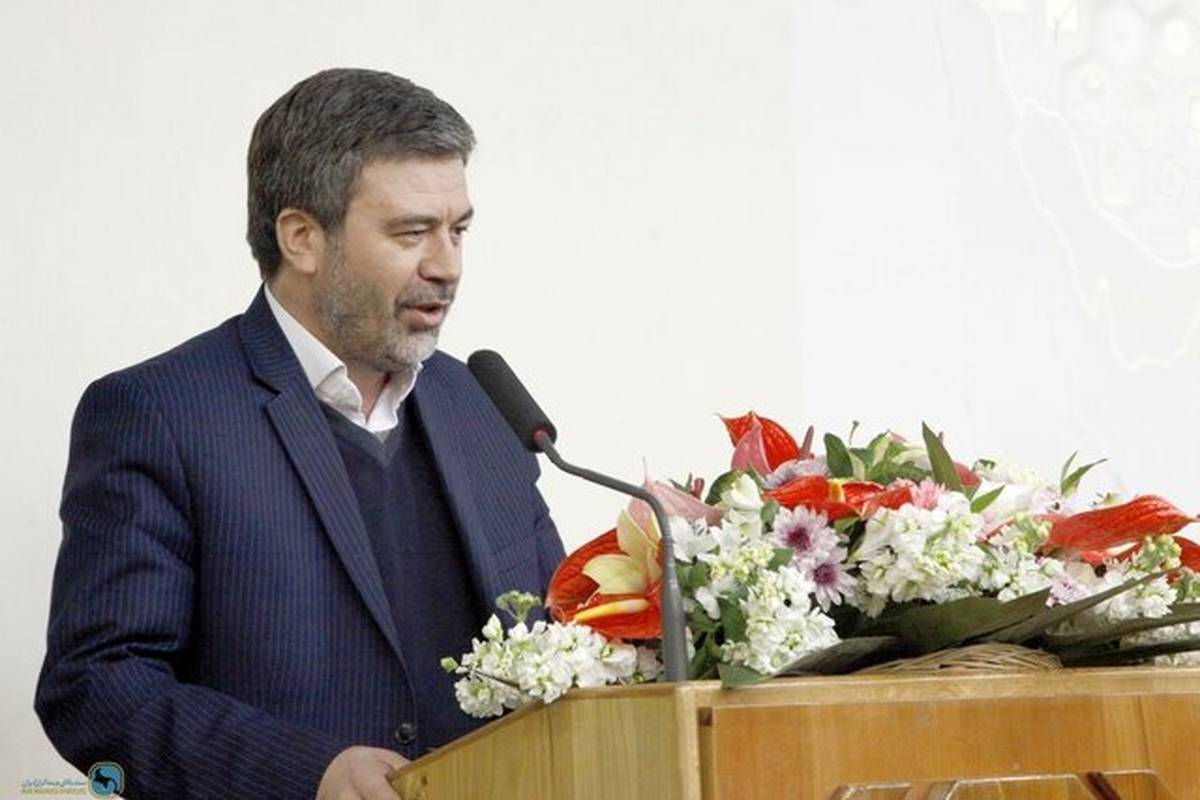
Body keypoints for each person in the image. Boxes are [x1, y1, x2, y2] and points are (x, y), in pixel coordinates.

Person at [35, 68, 565, 800]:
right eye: (412, 232)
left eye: (458, 230)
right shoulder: (159, 412)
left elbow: (563, 634)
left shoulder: (482, 404)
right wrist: (307, 773)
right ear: (302, 238)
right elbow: (96, 688)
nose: (447, 265)